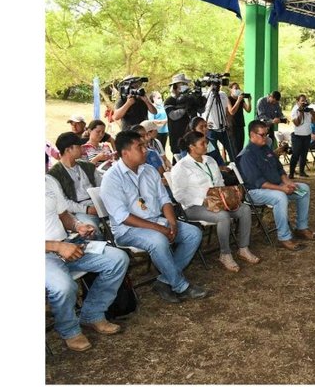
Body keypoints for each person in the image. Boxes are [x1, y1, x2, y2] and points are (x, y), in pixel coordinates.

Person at [100, 130, 208, 303]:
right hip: (128, 230)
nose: (145, 150)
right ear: (125, 152)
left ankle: (164, 280)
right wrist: (161, 229)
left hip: (156, 220)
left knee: (193, 233)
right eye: (140, 147)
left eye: (144, 145)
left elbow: (165, 200)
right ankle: (181, 286)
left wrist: (172, 223)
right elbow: (123, 217)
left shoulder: (149, 170)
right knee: (158, 240)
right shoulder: (111, 178)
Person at [45, 174, 129, 352]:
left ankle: (92, 314)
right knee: (63, 287)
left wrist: (77, 226)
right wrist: (56, 246)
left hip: (67, 244)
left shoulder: (49, 181)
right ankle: (69, 331)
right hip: (47, 254)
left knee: (117, 259)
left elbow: (62, 215)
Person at [170, 131, 259, 272]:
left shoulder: (210, 161)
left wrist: (228, 196)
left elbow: (220, 182)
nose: (206, 145)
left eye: (206, 142)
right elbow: (179, 195)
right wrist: (203, 201)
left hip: (218, 201)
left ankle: (243, 248)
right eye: (202, 143)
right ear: (192, 147)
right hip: (194, 206)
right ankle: (225, 254)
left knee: (245, 209)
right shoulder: (181, 167)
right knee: (223, 216)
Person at [237, 120, 315, 251]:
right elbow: (259, 182)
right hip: (255, 192)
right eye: (262, 135)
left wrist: (288, 182)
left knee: (304, 188)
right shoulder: (247, 155)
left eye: (266, 134)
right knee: (280, 197)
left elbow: (280, 169)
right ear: (252, 135)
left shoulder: (266, 149)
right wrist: (282, 188)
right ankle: (284, 238)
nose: (266, 137)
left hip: (276, 186)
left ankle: (301, 228)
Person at [48, 132, 103, 238]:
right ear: (68, 150)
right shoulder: (54, 175)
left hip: (100, 204)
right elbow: (64, 203)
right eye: (79, 146)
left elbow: (103, 187)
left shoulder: (88, 167)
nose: (83, 149)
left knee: (125, 218)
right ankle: (107, 252)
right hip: (80, 211)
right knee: (91, 231)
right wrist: (87, 209)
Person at [165, 73, 206, 160]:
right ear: (174, 87)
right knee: (179, 161)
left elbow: (201, 110)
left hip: (191, 136)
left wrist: (198, 99)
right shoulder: (170, 100)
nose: (184, 86)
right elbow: (173, 116)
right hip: (177, 136)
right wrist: (185, 106)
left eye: (185, 84)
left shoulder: (190, 98)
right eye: (181, 84)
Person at [201, 82, 233, 161]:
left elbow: (226, 110)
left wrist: (228, 123)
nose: (217, 86)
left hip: (223, 128)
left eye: (218, 84)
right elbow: (200, 111)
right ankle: (220, 169)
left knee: (231, 150)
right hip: (211, 130)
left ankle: (235, 168)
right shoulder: (205, 95)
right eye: (215, 84)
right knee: (214, 153)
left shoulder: (223, 94)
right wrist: (204, 124)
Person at [289, 94, 315, 179]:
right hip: (297, 135)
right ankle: (291, 173)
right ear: (297, 101)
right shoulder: (295, 110)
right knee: (296, 154)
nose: (304, 102)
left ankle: (301, 171)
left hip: (307, 135)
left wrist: (313, 113)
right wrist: (300, 112)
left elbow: (314, 122)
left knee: (304, 154)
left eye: (305, 100)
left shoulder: (307, 109)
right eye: (302, 101)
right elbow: (297, 123)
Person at [227, 82, 252, 157]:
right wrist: (238, 100)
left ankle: (240, 163)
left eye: (239, 88)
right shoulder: (228, 98)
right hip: (232, 126)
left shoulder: (241, 99)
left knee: (240, 146)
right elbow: (232, 112)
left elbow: (248, 110)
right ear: (231, 90)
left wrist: (249, 101)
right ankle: (235, 164)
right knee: (235, 148)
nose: (238, 90)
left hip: (241, 124)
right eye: (236, 88)